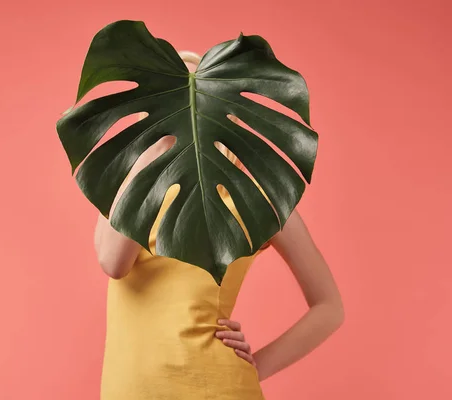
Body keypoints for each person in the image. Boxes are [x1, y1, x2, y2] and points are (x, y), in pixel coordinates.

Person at [94, 50, 344, 399]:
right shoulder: (125, 181)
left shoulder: (256, 195)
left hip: (217, 386)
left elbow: (329, 307)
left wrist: (257, 364)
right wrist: (153, 149)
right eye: (172, 96)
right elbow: (114, 263)